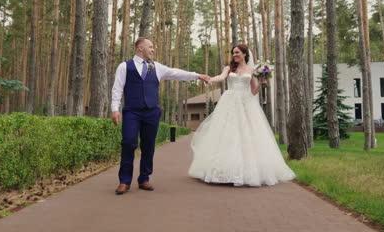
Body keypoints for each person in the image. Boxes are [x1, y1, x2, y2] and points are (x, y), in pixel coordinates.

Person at [111, 37, 210, 195]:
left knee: (148, 145)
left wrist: (197, 75)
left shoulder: (157, 67)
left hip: (151, 112)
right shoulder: (124, 67)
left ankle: (144, 178)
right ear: (140, 48)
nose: (153, 50)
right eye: (150, 47)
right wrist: (115, 109)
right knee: (128, 143)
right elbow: (117, 88)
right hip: (132, 111)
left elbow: (176, 73)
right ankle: (124, 181)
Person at [188, 44, 295, 186]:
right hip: (229, 102)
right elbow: (221, 77)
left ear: (245, 54)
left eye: (237, 52)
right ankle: (221, 171)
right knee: (226, 134)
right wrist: (210, 79)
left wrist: (263, 81)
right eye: (233, 53)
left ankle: (247, 171)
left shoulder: (251, 71)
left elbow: (253, 91)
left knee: (246, 134)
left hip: (245, 103)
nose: (234, 55)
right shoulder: (229, 68)